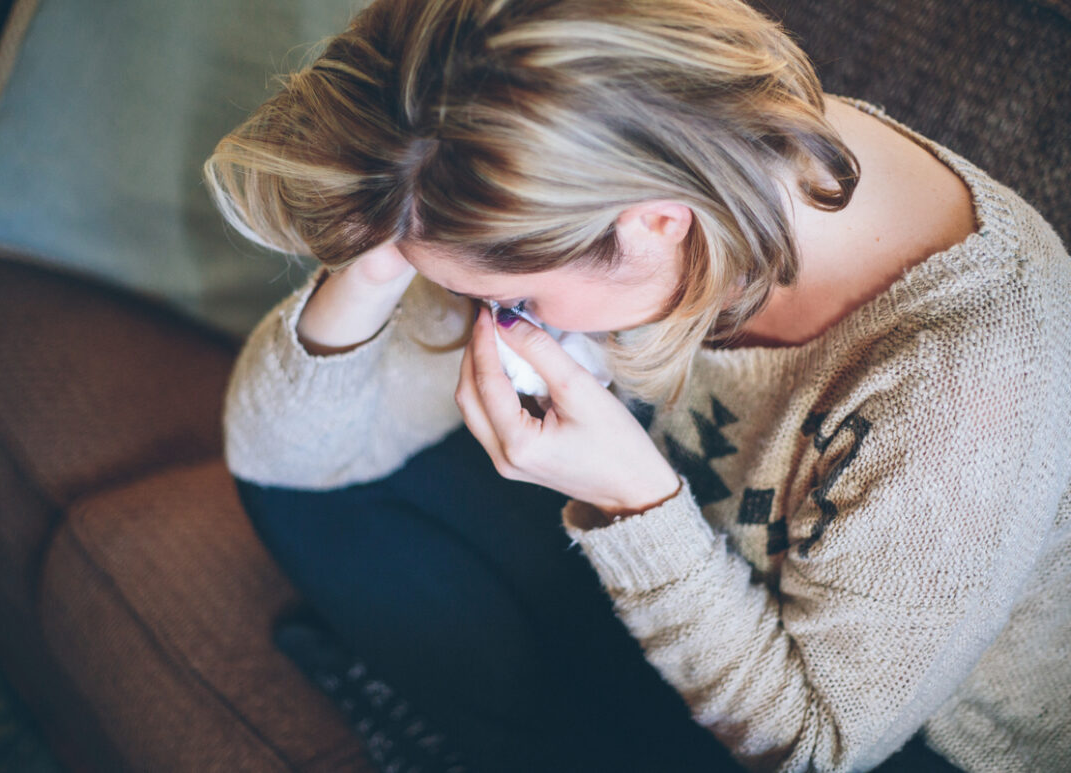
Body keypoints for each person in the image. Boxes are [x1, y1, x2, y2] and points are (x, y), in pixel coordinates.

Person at [203, 0, 1071, 770]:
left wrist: (634, 505)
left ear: (655, 222)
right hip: (709, 560)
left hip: (906, 739)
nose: (498, 316)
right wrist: (382, 251)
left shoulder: (969, 382)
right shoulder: (614, 154)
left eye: (513, 298)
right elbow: (284, 458)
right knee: (320, 500)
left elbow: (815, 748)